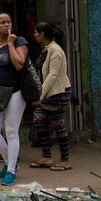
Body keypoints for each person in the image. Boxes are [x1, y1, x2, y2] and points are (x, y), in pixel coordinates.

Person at [0, 12, 28, 186]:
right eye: (2, 22)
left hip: (15, 92)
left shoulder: (19, 41)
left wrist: (10, 43)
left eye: (9, 21)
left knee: (11, 132)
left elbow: (19, 64)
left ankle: (11, 171)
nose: (6, 25)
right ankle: (10, 162)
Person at [29, 22, 72, 171]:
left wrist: (40, 95)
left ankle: (65, 160)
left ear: (42, 34)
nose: (34, 35)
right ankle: (46, 156)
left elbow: (53, 75)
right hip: (48, 92)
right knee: (39, 120)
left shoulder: (56, 51)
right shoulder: (46, 50)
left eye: (36, 32)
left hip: (58, 92)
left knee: (58, 125)